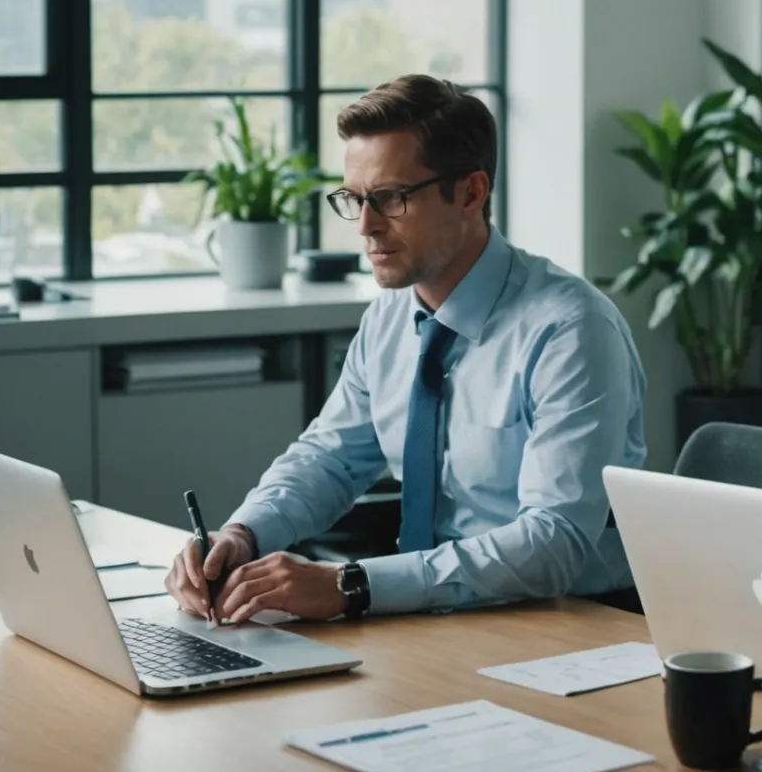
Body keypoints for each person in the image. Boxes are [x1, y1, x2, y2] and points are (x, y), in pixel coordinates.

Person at [163, 75, 647, 622]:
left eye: (391, 198)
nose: (366, 226)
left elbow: (554, 543)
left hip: (566, 622)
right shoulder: (390, 317)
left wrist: (351, 585)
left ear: (470, 192)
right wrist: (243, 533)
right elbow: (330, 458)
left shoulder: (570, 331)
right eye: (355, 199)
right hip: (425, 617)